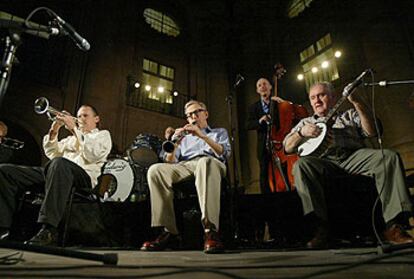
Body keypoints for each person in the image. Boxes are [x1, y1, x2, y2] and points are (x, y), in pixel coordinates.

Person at [283, 81, 414, 248]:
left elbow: (372, 132)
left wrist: (358, 102)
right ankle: (319, 228)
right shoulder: (305, 122)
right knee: (301, 165)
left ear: (333, 97)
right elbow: (287, 146)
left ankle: (394, 226)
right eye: (313, 97)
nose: (317, 100)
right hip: (323, 161)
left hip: (353, 156)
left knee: (388, 156)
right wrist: (301, 133)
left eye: (322, 95)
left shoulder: (349, 115)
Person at [0, 105, 112, 244]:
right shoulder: (70, 139)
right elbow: (51, 153)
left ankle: (49, 229)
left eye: (85, 115)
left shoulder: (102, 135)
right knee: (5, 171)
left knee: (60, 163)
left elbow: (93, 154)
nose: (80, 119)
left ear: (96, 119)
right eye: (78, 116)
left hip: (83, 178)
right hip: (58, 173)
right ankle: (3, 228)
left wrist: (73, 129)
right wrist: (55, 129)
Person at [141, 100, 231, 253]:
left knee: (205, 162)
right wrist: (173, 142)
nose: (193, 117)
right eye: (189, 115)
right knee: (155, 170)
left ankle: (210, 231)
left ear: (206, 114)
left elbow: (224, 153)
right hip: (186, 165)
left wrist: (202, 136)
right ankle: (169, 232)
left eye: (196, 112)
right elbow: (169, 162)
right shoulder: (185, 137)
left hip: (212, 163)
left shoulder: (219, 132)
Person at [247, 78, 286, 193]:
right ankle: (266, 197)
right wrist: (260, 120)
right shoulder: (253, 107)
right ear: (257, 90)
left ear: (270, 87)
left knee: (282, 168)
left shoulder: (278, 103)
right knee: (264, 171)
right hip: (263, 144)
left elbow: (288, 115)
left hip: (280, 142)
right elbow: (248, 124)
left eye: (265, 84)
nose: (262, 86)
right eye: (259, 85)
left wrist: (283, 103)